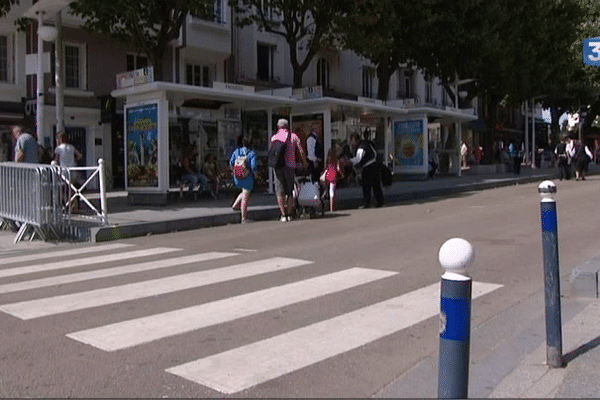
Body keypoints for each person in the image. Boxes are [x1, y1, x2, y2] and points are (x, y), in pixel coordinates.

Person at [270, 118, 307, 222]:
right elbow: (301, 150)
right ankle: (290, 214)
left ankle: (283, 215)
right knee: (289, 191)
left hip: (277, 166)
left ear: (278, 127)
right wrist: (304, 162)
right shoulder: (293, 136)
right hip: (290, 166)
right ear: (287, 126)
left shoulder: (274, 138)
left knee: (279, 191)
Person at [350, 129, 384, 208]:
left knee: (366, 186)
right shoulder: (367, 144)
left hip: (368, 167)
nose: (352, 143)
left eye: (352, 140)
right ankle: (380, 201)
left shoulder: (361, 147)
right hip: (374, 165)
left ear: (356, 140)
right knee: (376, 185)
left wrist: (349, 161)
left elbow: (358, 158)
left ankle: (366, 203)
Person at [230, 134, 257, 224]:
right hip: (247, 177)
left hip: (237, 176)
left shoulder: (236, 151)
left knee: (244, 192)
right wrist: (256, 175)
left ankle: (235, 205)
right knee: (245, 195)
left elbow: (231, 163)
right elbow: (253, 167)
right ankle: (243, 218)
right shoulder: (251, 153)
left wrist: (234, 172)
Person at [321, 147, 342, 212]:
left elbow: (325, 168)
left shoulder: (328, 160)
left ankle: (329, 205)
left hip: (328, 175)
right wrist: (341, 174)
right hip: (333, 176)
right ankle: (332, 207)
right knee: (332, 192)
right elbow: (338, 169)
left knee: (329, 190)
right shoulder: (336, 160)